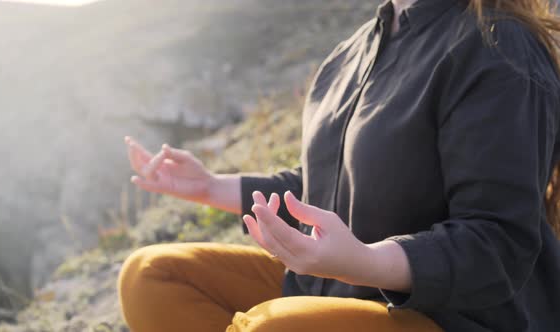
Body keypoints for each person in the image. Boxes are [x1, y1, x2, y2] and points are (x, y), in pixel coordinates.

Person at [118, 0, 560, 331]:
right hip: (330, 286)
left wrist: (366, 261)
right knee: (152, 276)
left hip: (447, 316)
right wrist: (209, 188)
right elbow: (326, 185)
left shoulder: (496, 48)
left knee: (278, 327)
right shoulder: (353, 52)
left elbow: (498, 242)